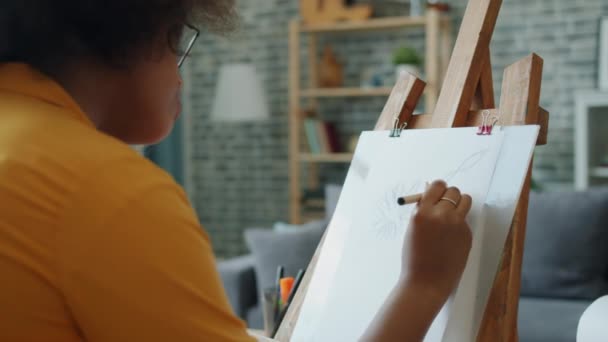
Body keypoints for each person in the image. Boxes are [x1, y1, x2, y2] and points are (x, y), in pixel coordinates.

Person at [0, 1, 473, 341]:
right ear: (134, 35)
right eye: (179, 41)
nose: (181, 75)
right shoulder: (100, 185)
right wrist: (424, 285)